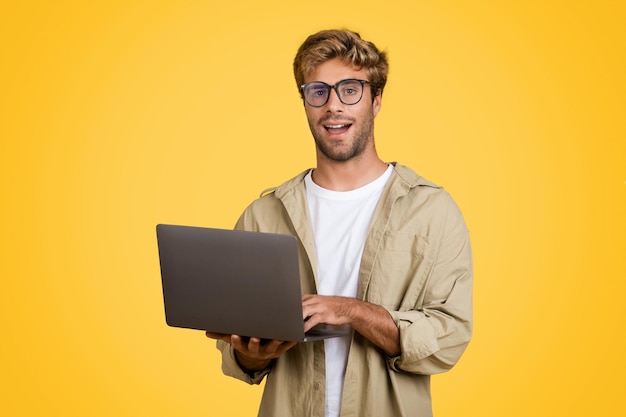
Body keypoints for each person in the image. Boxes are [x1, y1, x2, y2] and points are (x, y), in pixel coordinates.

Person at [206, 29, 473, 417]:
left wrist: (351, 311)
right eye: (319, 91)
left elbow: (449, 338)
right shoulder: (262, 215)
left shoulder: (433, 211)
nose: (333, 106)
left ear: (376, 100)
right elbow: (237, 357)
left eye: (350, 90)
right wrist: (250, 355)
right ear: (305, 102)